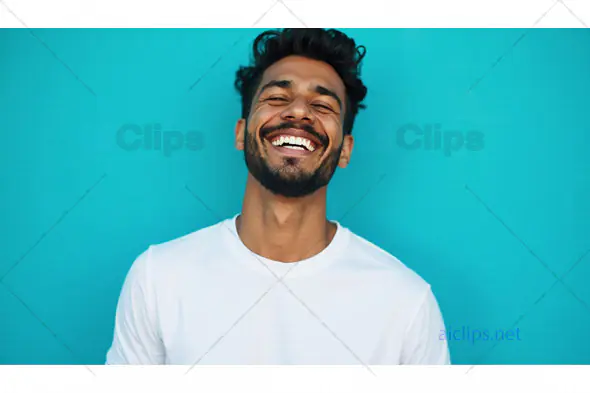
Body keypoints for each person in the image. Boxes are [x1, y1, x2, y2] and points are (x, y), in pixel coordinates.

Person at [105, 28, 450, 365]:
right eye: (277, 98)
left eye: (323, 105)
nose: (299, 112)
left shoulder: (406, 302)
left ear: (345, 150)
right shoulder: (157, 278)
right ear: (241, 133)